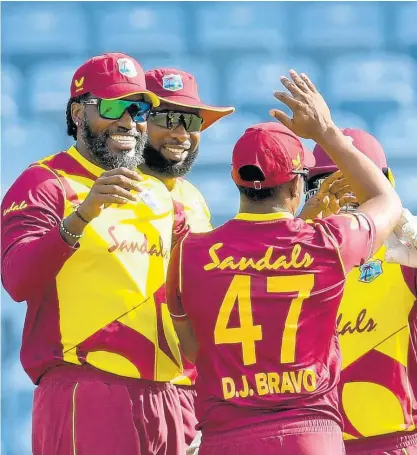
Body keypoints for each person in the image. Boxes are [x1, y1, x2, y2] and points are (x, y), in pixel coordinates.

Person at [166, 70, 402, 455]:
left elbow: (195, 350)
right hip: (310, 436)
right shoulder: (329, 242)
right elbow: (386, 200)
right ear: (296, 185)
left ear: (235, 178)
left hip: (229, 438)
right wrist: (325, 130)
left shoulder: (188, 253)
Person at [1, 53, 189, 455]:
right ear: (77, 112)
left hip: (166, 397)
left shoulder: (159, 194)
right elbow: (17, 280)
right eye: (112, 106)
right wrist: (82, 216)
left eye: (138, 109)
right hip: (85, 387)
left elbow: (195, 293)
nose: (128, 121)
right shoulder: (44, 182)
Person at [300, 128, 417, 455]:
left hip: (392, 440)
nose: (345, 199)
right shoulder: (288, 263)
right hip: (311, 442)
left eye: (358, 184)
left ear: (385, 187)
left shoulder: (407, 256)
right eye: (328, 185)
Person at [143, 67, 235, 446]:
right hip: (124, 382)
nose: (181, 133)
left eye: (192, 120)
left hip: (186, 390)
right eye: (166, 118)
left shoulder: (194, 199)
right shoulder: (105, 191)